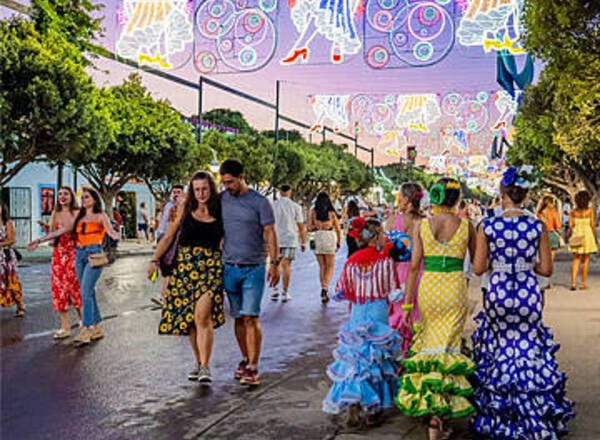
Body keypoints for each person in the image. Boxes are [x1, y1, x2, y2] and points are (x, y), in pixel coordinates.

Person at [471, 165, 574, 438]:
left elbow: (479, 268)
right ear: (526, 196)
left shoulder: (488, 226)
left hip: (498, 293)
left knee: (501, 348)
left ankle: (501, 413)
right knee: (527, 349)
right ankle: (533, 413)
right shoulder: (536, 226)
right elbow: (547, 270)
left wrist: (500, 263)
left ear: (502, 193)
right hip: (527, 292)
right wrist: (524, 265)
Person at [396, 178, 476, 440]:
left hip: (428, 290)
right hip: (454, 290)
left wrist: (407, 305)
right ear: (457, 200)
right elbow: (477, 266)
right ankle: (439, 419)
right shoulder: (466, 226)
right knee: (447, 349)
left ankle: (432, 417)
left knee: (431, 346)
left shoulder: (421, 225)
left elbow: (414, 268)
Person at [322, 219, 403, 427]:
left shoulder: (351, 262)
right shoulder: (385, 262)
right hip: (378, 313)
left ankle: (354, 407)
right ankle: (372, 410)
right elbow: (394, 293)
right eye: (383, 235)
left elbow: (339, 292)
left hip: (357, 314)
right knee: (375, 361)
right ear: (376, 237)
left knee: (357, 360)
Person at [148, 171, 224, 383]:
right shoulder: (185, 209)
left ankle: (206, 366)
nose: (201, 193)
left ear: (212, 188)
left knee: (202, 316)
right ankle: (199, 363)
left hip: (211, 267)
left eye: (205, 189)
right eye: (197, 189)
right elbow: (169, 236)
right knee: (191, 321)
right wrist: (154, 260)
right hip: (185, 268)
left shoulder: (220, 210)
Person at [29, 187, 121, 346]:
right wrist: (40, 240)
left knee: (84, 292)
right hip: (79, 255)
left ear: (94, 199)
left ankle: (85, 329)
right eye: (83, 197)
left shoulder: (101, 216)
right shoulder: (79, 216)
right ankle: (97, 327)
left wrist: (116, 236)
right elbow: (63, 230)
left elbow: (112, 233)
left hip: (94, 254)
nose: (84, 200)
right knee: (88, 292)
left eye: (86, 197)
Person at [219, 159, 280, 387]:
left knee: (251, 316)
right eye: (224, 182)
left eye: (231, 182)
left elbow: (270, 232)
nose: (228, 186)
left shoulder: (259, 202)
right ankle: (245, 359)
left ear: (242, 176)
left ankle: (253, 366)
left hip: (253, 267)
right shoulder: (221, 200)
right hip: (228, 267)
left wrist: (274, 262)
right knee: (238, 317)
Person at [385, 182, 423, 356]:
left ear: (406, 200)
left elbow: (386, 251)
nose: (397, 199)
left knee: (397, 315)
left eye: (399, 196)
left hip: (398, 272)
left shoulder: (393, 221)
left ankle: (398, 356)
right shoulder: (423, 222)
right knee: (417, 315)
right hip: (421, 272)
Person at [48, 187, 82, 339]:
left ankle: (84, 322)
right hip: (58, 255)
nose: (62, 197)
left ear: (71, 196)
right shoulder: (55, 213)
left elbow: (82, 232)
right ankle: (65, 327)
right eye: (60, 194)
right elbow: (52, 235)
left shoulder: (77, 212)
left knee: (75, 288)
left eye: (66, 194)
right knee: (59, 290)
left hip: (74, 253)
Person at [271, 184, 306, 303]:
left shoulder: (273, 205)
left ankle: (275, 290)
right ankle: (285, 292)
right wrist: (303, 242)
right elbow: (301, 226)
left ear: (280, 192)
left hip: (276, 239)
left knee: (276, 264)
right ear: (290, 192)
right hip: (290, 239)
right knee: (286, 265)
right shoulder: (296, 207)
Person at [307, 192, 341, 304]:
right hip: (329, 236)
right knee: (330, 266)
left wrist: (316, 227)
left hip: (318, 237)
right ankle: (325, 288)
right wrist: (339, 241)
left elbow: (308, 227)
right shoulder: (331, 213)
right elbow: (337, 228)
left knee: (322, 266)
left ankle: (323, 291)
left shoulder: (313, 212)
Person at [569, 189, 598, 290]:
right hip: (587, 236)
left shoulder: (573, 212)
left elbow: (571, 225)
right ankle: (582, 283)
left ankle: (573, 283)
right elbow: (592, 225)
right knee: (586, 260)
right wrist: (595, 237)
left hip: (577, 235)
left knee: (576, 259)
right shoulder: (589, 211)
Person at [0, 203, 25, 317]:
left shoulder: (7, 223)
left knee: (11, 280)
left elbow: (12, 240)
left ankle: (20, 305)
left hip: (6, 256)